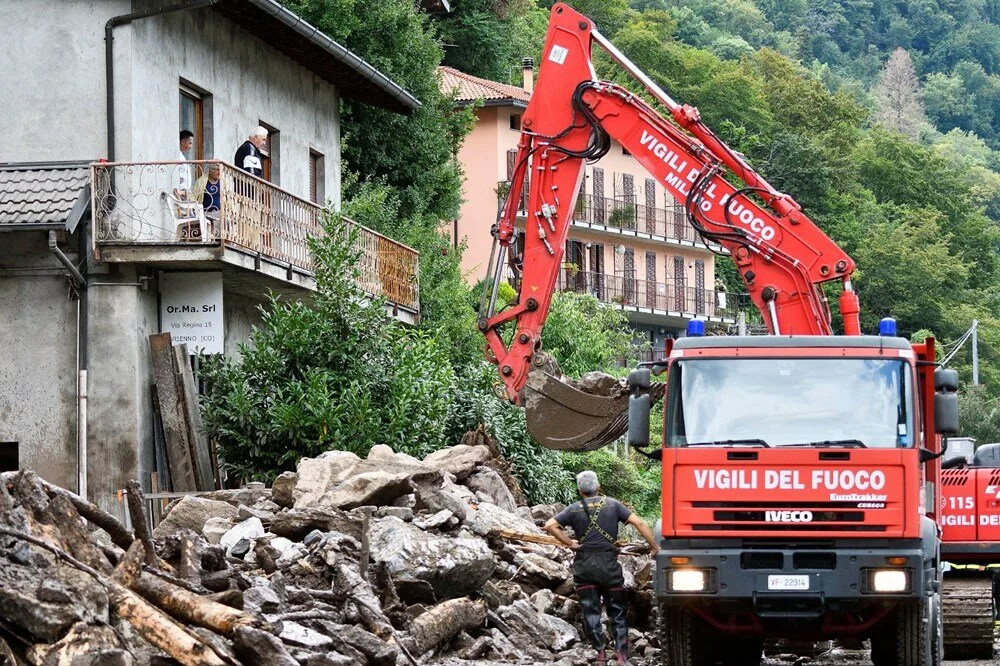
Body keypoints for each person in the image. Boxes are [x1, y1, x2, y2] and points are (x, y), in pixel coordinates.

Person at [544, 471, 659, 666]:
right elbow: (639, 522)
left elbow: (550, 525)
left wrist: (570, 543)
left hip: (584, 567)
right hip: (609, 566)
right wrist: (655, 547)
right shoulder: (613, 504)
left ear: (580, 491)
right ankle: (622, 655)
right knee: (617, 611)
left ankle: (600, 655)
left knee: (591, 611)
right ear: (598, 486)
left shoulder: (573, 509)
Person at [174, 129, 195, 196]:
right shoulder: (176, 156)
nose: (191, 146)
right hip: (179, 192)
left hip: (184, 193)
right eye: (190, 143)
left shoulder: (181, 156)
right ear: (182, 142)